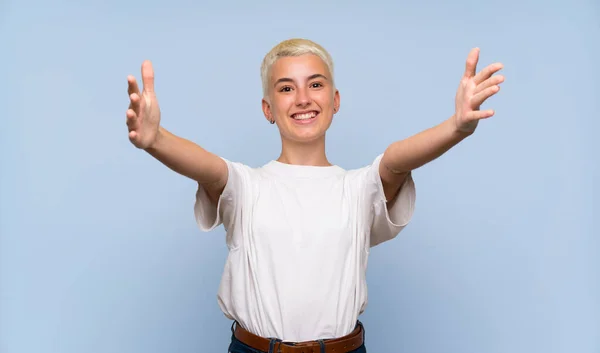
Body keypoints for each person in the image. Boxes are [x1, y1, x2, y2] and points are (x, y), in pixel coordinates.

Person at [124, 38, 504, 353]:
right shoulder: (246, 186)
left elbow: (395, 160)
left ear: (335, 101)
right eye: (286, 88)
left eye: (315, 84)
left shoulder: (358, 188)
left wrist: (455, 127)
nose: (302, 97)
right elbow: (207, 167)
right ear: (267, 109)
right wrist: (157, 141)